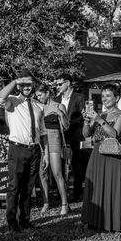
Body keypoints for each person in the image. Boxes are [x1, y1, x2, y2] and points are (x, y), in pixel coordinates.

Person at [0, 71, 46, 233]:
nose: (26, 87)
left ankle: (25, 219)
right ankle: (12, 222)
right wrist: (16, 81)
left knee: (28, 187)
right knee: (14, 187)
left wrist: (44, 153)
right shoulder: (12, 101)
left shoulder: (39, 105)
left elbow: (42, 132)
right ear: (18, 86)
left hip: (34, 149)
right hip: (17, 148)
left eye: (29, 84)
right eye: (23, 85)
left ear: (33, 86)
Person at [81, 84, 121, 231]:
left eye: (108, 96)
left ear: (116, 98)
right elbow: (86, 134)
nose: (105, 99)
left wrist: (98, 120)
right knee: (96, 187)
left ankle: (113, 222)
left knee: (111, 188)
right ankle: (94, 220)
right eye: (103, 96)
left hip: (113, 157)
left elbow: (115, 134)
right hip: (97, 154)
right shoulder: (100, 115)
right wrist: (87, 121)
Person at [35, 84, 70, 215]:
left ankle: (65, 204)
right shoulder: (38, 107)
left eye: (40, 95)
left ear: (48, 93)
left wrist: (61, 114)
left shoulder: (59, 106)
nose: (39, 98)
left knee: (56, 172)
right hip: (41, 140)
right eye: (37, 96)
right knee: (42, 173)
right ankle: (46, 203)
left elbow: (66, 127)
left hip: (54, 138)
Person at [53, 74, 88, 202]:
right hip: (59, 137)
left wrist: (67, 123)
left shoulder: (79, 97)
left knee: (76, 164)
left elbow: (82, 117)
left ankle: (77, 193)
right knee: (59, 165)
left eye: (59, 84)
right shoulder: (56, 99)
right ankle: (60, 194)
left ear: (67, 83)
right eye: (56, 85)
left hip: (74, 135)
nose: (57, 87)